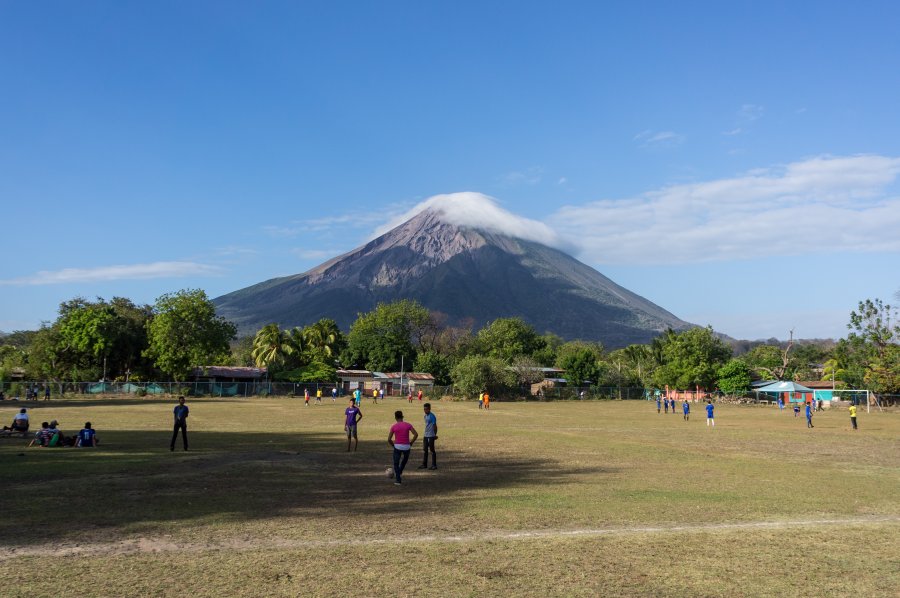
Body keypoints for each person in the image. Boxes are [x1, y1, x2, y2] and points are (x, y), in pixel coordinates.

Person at [388, 410, 418, 485]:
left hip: (397, 446)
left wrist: (393, 445)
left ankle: (398, 480)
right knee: (404, 461)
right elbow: (416, 434)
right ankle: (400, 471)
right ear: (402, 417)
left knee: (396, 463)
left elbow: (389, 439)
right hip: (407, 447)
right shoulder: (408, 425)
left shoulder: (394, 426)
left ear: (395, 418)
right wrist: (411, 443)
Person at [419, 402, 438, 470]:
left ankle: (434, 465)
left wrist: (434, 435)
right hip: (426, 435)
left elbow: (435, 426)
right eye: (424, 409)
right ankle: (424, 464)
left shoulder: (432, 416)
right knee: (425, 450)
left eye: (426, 409)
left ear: (429, 409)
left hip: (431, 435)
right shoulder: (425, 416)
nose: (425, 410)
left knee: (432, 450)